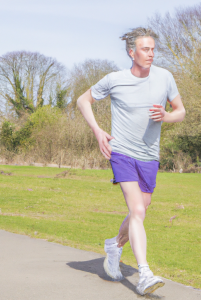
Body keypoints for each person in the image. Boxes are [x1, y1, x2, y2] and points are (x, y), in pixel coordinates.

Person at [77, 27, 185, 296]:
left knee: (142, 210)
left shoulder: (165, 77)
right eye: (145, 49)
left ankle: (114, 245)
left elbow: (180, 111)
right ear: (131, 52)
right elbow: (83, 100)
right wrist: (97, 130)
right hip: (121, 151)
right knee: (137, 210)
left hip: (150, 155)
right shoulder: (115, 79)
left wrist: (167, 116)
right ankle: (145, 273)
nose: (150, 54)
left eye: (152, 49)